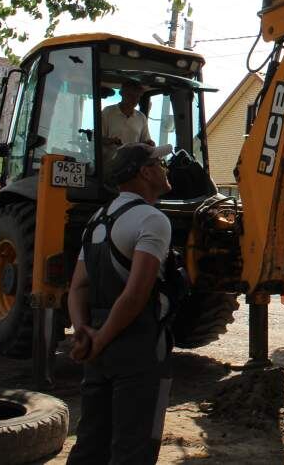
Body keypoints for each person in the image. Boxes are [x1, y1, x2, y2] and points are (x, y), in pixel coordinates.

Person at [67, 142, 174, 465]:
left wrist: (83, 332)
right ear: (145, 172)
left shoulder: (98, 219)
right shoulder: (153, 220)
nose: (165, 169)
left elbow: (78, 287)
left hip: (98, 346)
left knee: (91, 444)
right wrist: (101, 338)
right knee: (134, 449)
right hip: (136, 348)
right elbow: (134, 295)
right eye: (159, 164)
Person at [102, 79, 153, 150]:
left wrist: (150, 143)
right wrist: (110, 141)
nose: (134, 99)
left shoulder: (141, 117)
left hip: (133, 157)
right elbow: (98, 138)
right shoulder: (108, 112)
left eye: (138, 96)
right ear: (122, 94)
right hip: (111, 157)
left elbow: (145, 142)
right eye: (131, 95)